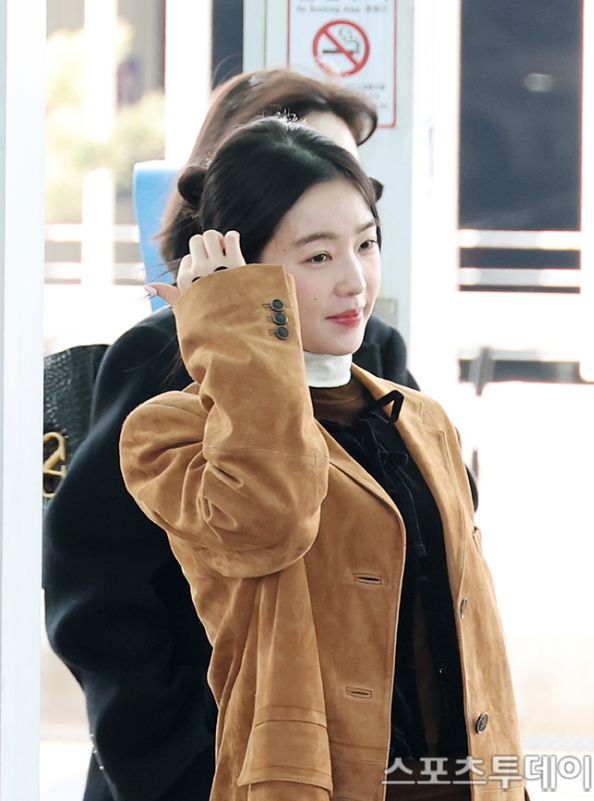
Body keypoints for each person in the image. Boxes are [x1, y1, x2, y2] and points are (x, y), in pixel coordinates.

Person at [119, 116, 526, 801]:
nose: (354, 281)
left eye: (365, 244)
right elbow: (270, 520)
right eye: (316, 258)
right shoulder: (173, 432)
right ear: (244, 276)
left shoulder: (421, 420)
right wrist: (237, 325)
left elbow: (479, 644)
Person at [42, 69, 418, 801]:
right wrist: (179, 760)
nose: (333, 187)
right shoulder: (163, 356)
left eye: (354, 193)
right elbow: (100, 590)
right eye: (316, 244)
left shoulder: (377, 354)